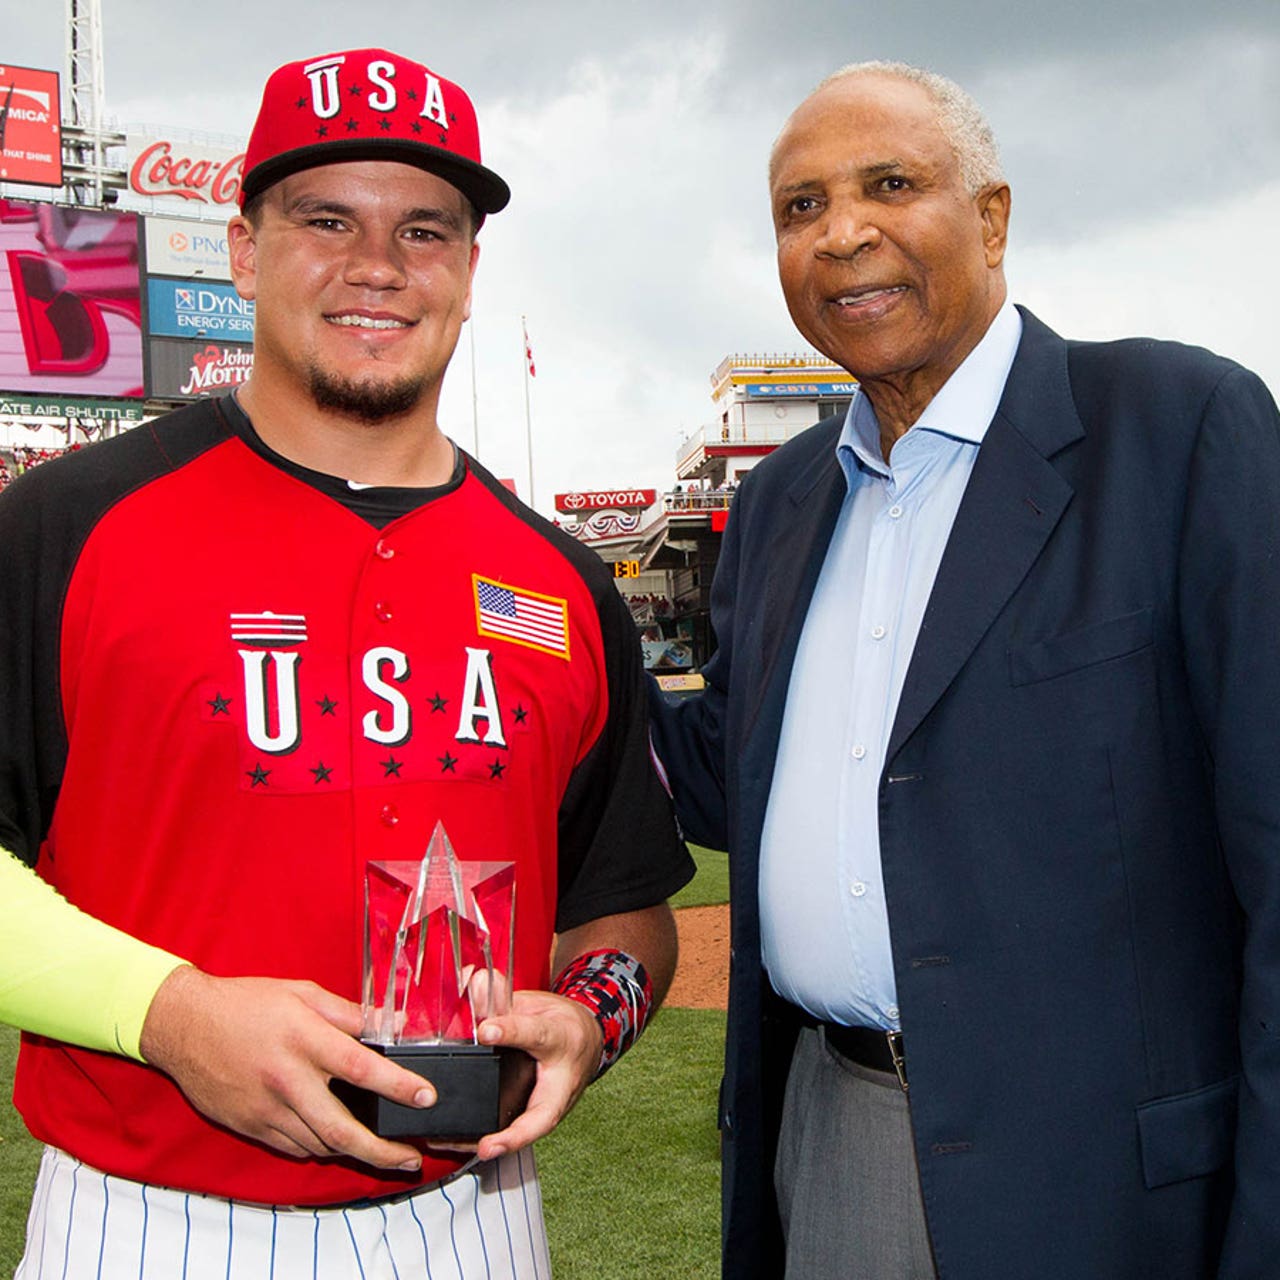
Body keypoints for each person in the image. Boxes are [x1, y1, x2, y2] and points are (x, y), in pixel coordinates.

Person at [0, 47, 692, 1278]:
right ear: (243, 251)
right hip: (147, 1219)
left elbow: (626, 902)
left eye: (424, 230)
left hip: (476, 1218)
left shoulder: (562, 582)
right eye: (326, 218)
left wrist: (589, 1013)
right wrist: (164, 1013)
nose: (377, 264)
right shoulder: (62, 527)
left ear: (469, 274)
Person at [650, 60, 1280, 1280]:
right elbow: (728, 773)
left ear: (989, 217)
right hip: (835, 1130)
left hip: (1106, 1183)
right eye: (799, 207)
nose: (841, 233)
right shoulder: (781, 501)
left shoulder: (1177, 426)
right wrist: (517, 607)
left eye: (888, 184)